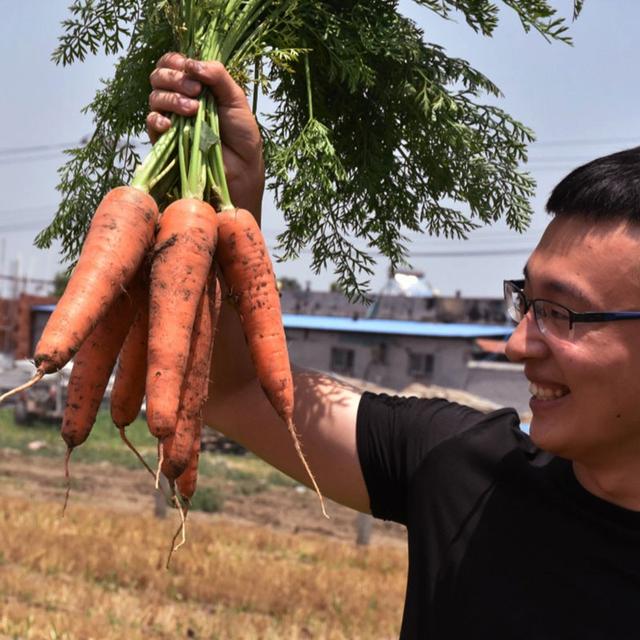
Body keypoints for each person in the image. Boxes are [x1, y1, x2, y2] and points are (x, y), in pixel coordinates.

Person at [148, 53, 640, 639]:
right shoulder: (461, 469)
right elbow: (234, 389)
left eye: (560, 313)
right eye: (527, 303)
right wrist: (230, 202)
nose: (516, 344)